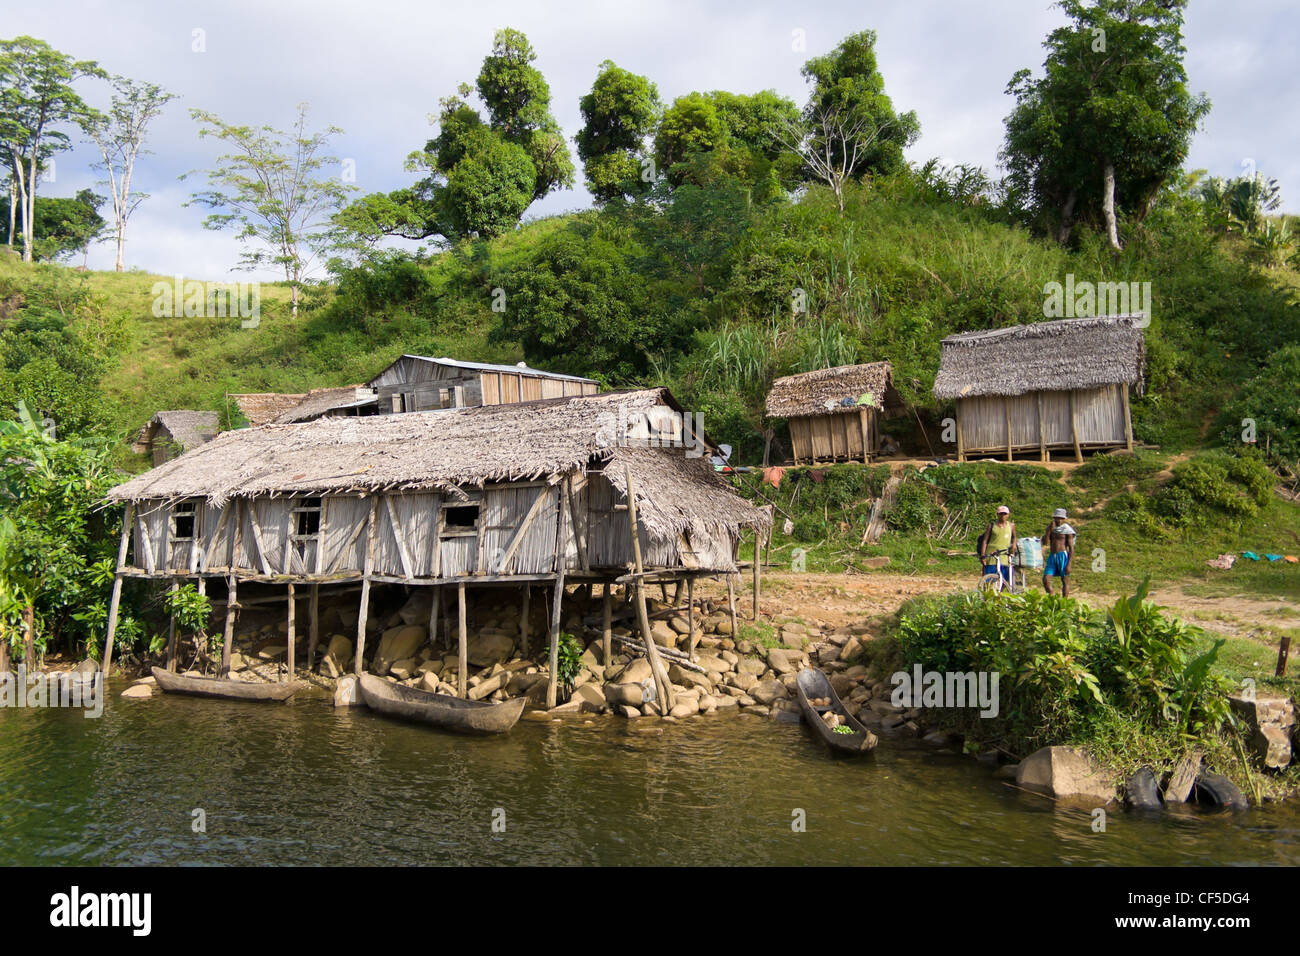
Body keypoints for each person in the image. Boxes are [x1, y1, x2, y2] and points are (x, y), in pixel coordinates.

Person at [977, 505, 1017, 587]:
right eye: (1001, 514)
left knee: (1005, 579)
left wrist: (1013, 546)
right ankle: (987, 596)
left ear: (1008, 515)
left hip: (1004, 555)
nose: (1003, 516)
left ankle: (1001, 595)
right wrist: (983, 555)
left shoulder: (1011, 526)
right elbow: (985, 540)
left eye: (1005, 514)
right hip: (991, 555)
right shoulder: (991, 526)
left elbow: (1014, 537)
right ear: (997, 514)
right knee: (988, 579)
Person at [1041, 508, 1077, 597]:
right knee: (1046, 579)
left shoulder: (1067, 530)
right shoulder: (1051, 528)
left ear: (1064, 519)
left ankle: (1064, 601)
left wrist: (1069, 564)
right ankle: (1052, 598)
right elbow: (1045, 542)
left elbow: (1071, 548)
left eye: (1061, 518)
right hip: (1052, 556)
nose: (1059, 520)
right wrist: (1049, 530)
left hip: (1063, 556)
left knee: (1065, 580)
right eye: (1057, 518)